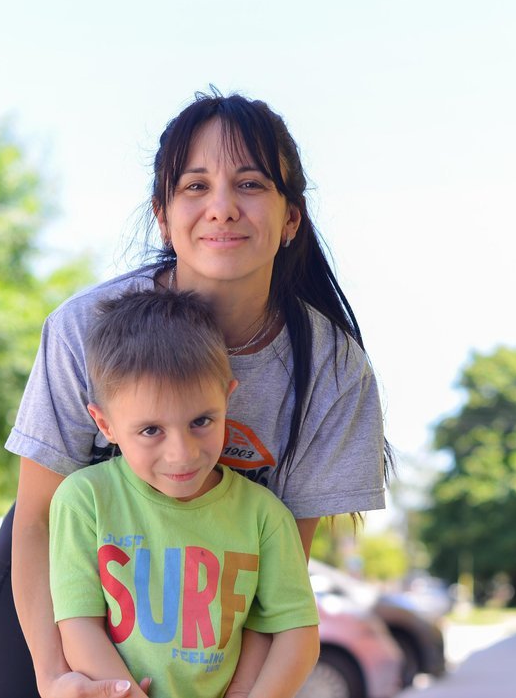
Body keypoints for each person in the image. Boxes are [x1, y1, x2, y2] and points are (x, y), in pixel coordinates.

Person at [0, 90, 389, 698]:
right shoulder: (83, 328)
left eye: (250, 184)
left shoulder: (334, 371)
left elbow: (273, 590)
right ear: (162, 217)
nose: (221, 208)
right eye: (195, 186)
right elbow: (36, 519)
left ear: (291, 217)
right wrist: (55, 677)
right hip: (54, 615)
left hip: (205, 631)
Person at [49, 289, 320, 698]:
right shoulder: (84, 501)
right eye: (150, 430)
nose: (182, 454)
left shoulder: (264, 515)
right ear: (104, 425)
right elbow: (77, 624)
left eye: (201, 421)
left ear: (226, 399)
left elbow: (296, 632)